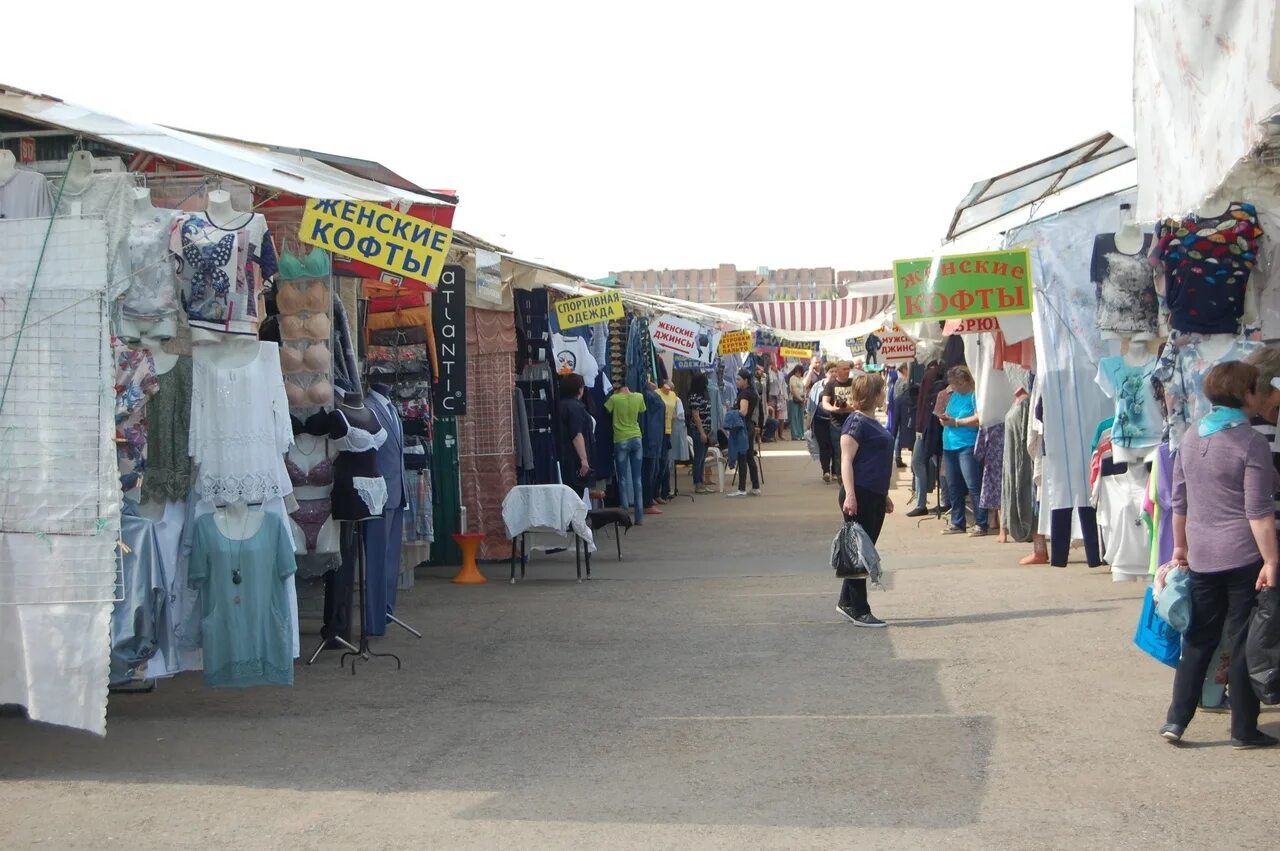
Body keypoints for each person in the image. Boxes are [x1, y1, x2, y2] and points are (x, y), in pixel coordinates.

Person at [1160, 361, 1279, 749]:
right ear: (1246, 395)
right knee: (1243, 640)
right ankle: (1243, 729)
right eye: (1256, 389)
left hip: (1202, 555)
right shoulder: (1250, 442)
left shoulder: (1192, 437)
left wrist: (1180, 548)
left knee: (1199, 639)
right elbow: (1258, 511)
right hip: (1244, 555)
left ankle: (1176, 721)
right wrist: (1272, 561)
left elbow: (1179, 501)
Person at [836, 373, 892, 628]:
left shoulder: (872, 421)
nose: (885, 394)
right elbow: (846, 460)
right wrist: (850, 494)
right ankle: (860, 609)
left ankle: (847, 601)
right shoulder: (856, 422)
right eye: (882, 390)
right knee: (860, 552)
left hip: (873, 494)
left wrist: (885, 495)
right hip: (859, 494)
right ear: (874, 393)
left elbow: (874, 461)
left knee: (862, 549)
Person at [939, 365, 987, 536]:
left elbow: (978, 418)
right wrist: (945, 419)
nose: (956, 387)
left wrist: (956, 422)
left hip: (966, 443)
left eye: (958, 383)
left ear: (966, 381)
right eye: (954, 384)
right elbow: (948, 412)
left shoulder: (974, 395)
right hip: (949, 444)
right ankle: (957, 522)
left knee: (972, 484)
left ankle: (981, 522)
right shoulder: (954, 396)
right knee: (953, 485)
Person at [604, 386, 646, 525]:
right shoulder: (639, 397)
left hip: (621, 439)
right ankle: (639, 516)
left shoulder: (614, 399)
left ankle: (624, 514)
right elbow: (642, 410)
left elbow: (606, 410)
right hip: (636, 438)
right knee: (637, 478)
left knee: (622, 478)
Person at [726, 369, 761, 497]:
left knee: (743, 457)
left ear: (745, 381)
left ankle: (741, 488)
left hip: (743, 427)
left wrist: (732, 412)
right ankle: (755, 486)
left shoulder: (745, 394)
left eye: (738, 379)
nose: (736, 382)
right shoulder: (751, 392)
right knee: (749, 457)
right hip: (749, 426)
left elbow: (743, 411)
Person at [557, 374, 593, 497]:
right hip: (574, 458)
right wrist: (584, 459)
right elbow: (577, 434)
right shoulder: (575, 407)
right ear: (579, 389)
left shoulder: (559, 405)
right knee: (575, 496)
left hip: (563, 457)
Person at [821, 361, 855, 482]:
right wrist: (833, 409)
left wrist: (852, 407)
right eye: (844, 369)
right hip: (836, 422)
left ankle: (850, 474)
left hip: (852, 421)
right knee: (838, 450)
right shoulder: (831, 385)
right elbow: (825, 402)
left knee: (853, 449)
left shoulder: (853, 383)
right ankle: (841, 476)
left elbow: (860, 400)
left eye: (848, 369)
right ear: (838, 370)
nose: (847, 371)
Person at [808, 364, 836, 482]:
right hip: (819, 420)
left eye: (835, 371)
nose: (834, 373)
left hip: (835, 421)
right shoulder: (817, 386)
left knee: (835, 446)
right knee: (824, 446)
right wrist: (808, 420)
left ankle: (835, 471)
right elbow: (810, 403)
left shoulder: (839, 386)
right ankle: (826, 471)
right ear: (826, 373)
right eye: (831, 371)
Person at [653, 379, 679, 503]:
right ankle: (656, 493)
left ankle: (662, 492)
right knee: (658, 463)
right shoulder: (656, 393)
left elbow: (674, 413)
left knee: (664, 463)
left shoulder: (673, 395)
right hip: (658, 431)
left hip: (668, 431)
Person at [687, 372, 713, 494]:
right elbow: (696, 416)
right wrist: (702, 432)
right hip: (699, 431)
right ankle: (697, 483)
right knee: (698, 458)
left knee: (703, 458)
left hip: (706, 430)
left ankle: (701, 482)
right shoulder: (694, 397)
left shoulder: (703, 396)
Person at [787, 365, 807, 441]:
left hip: (801, 398)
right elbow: (793, 390)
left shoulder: (802, 379)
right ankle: (795, 435)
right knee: (794, 417)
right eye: (797, 371)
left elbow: (804, 389)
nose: (798, 373)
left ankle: (801, 434)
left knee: (801, 418)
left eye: (799, 371)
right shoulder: (792, 378)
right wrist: (800, 399)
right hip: (794, 399)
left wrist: (804, 398)